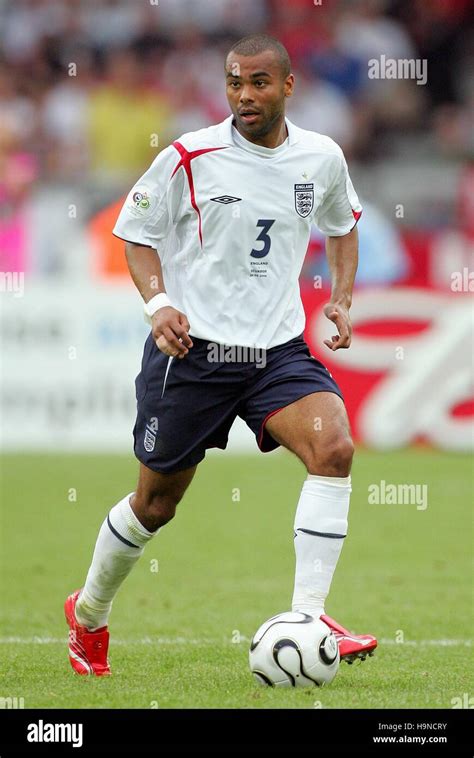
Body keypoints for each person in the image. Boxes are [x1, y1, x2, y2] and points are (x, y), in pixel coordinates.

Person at [65, 34, 377, 677]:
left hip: (278, 352)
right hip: (195, 355)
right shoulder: (189, 155)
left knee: (334, 448)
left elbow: (343, 225)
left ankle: (309, 619)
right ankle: (88, 614)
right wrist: (159, 307)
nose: (244, 96)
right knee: (154, 505)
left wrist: (342, 298)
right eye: (235, 83)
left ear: (288, 86)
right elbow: (136, 235)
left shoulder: (321, 157)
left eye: (259, 83)